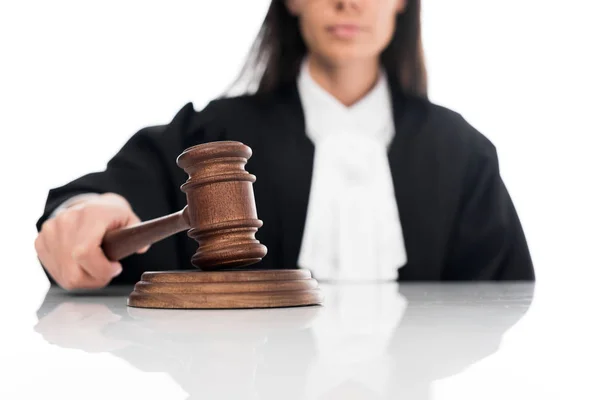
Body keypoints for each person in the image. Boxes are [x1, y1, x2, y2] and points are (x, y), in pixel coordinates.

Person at [34, 0, 535, 291]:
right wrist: (86, 211)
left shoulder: (463, 153)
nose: (348, 2)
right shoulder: (216, 134)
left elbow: (504, 308)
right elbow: (118, 196)